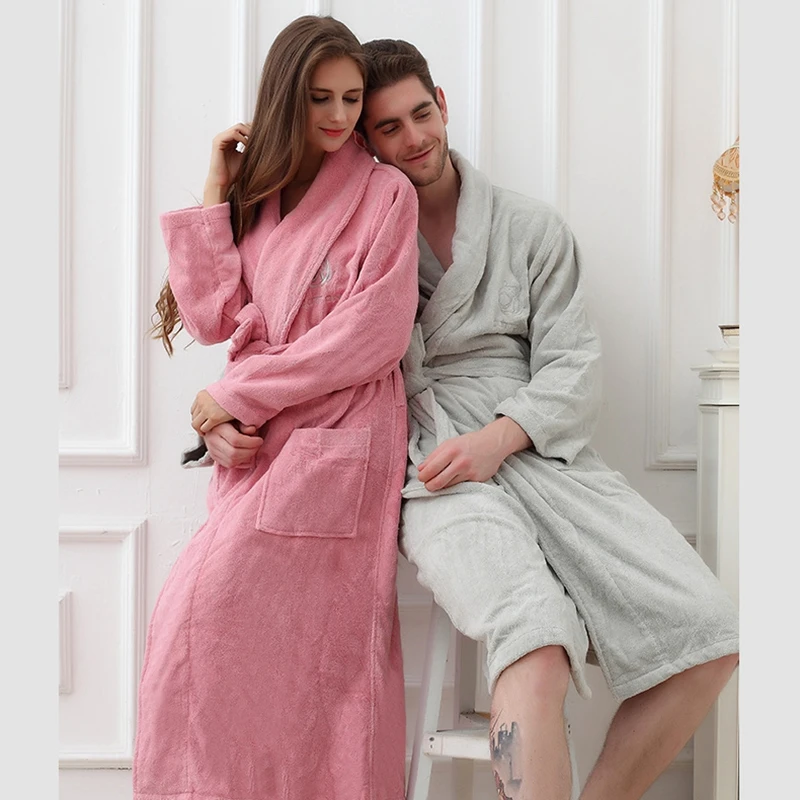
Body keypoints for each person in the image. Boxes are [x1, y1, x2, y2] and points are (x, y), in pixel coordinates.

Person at [203, 37, 740, 800]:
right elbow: (291, 343)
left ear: (443, 104)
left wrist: (501, 437)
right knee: (534, 637)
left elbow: (574, 365)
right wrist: (226, 406)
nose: (413, 137)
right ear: (363, 142)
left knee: (710, 632)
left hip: (537, 453)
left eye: (421, 114)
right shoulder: (355, 236)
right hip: (429, 467)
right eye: (388, 127)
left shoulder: (530, 228)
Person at [134, 17, 419, 800]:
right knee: (196, 631)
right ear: (286, 95)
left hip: (341, 436)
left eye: (351, 99)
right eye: (320, 98)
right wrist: (216, 190)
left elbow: (371, 336)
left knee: (321, 665)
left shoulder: (384, 193)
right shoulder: (262, 193)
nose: (338, 116)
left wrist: (235, 396)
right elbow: (212, 319)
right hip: (262, 442)